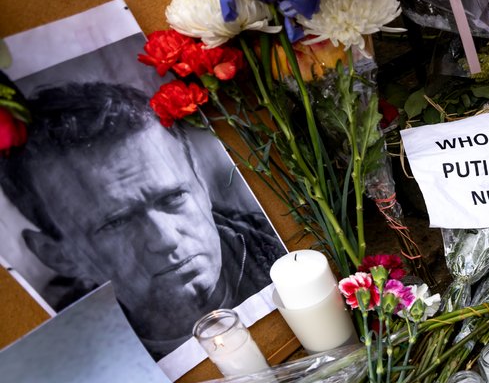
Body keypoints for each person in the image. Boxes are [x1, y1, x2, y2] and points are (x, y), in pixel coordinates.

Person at [0, 82, 286, 359]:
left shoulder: (290, 243)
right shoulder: (70, 367)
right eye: (116, 222)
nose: (166, 239)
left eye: (173, 197)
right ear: (58, 255)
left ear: (200, 182)